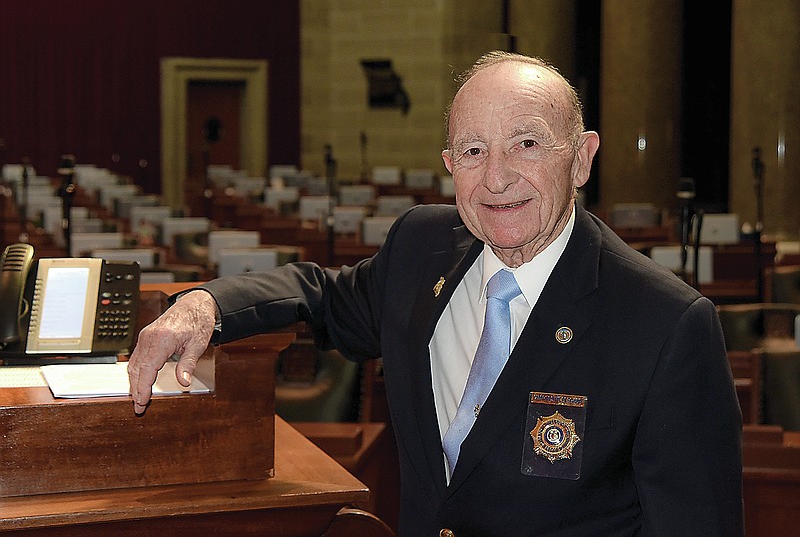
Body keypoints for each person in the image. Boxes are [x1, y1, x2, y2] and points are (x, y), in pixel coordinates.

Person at [128, 51, 744, 536]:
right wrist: (203, 304)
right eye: (473, 151)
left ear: (581, 160)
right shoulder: (423, 249)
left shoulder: (666, 326)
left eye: (527, 144)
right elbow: (317, 297)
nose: (496, 176)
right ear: (449, 162)